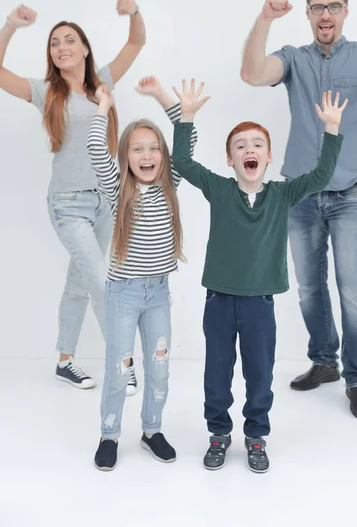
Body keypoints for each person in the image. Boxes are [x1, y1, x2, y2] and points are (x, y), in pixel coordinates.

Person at [240, 0, 357, 418]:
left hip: (350, 195)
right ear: (307, 13)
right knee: (308, 290)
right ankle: (324, 362)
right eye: (317, 7)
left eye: (333, 7)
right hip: (300, 195)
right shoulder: (294, 59)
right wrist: (264, 18)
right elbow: (252, 73)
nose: (325, 15)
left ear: (345, 11)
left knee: (354, 290)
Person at [172, 80, 346, 472]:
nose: (249, 149)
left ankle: (256, 436)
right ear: (231, 160)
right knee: (216, 375)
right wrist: (186, 117)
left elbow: (319, 176)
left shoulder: (283, 194)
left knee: (260, 376)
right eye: (240, 146)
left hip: (259, 305)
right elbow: (183, 164)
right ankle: (219, 433)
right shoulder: (218, 189)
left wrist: (331, 129)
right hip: (218, 301)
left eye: (256, 145)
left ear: (268, 158)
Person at [0, 0, 145, 392]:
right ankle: (122, 361)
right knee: (101, 281)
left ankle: (65, 361)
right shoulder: (45, 91)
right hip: (67, 204)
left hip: (105, 202)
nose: (61, 47)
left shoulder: (103, 83)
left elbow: (135, 44)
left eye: (69, 40)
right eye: (53, 43)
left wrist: (133, 12)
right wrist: (10, 25)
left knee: (80, 282)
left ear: (84, 47)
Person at [88, 76, 196, 471]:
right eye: (138, 149)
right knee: (120, 369)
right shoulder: (117, 187)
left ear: (163, 157)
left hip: (158, 294)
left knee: (160, 367)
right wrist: (104, 106)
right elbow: (95, 149)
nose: (147, 155)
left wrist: (162, 96)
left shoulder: (171, 181)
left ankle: (152, 430)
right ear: (127, 156)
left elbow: (188, 142)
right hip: (123, 293)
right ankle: (110, 433)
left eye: (154, 149)